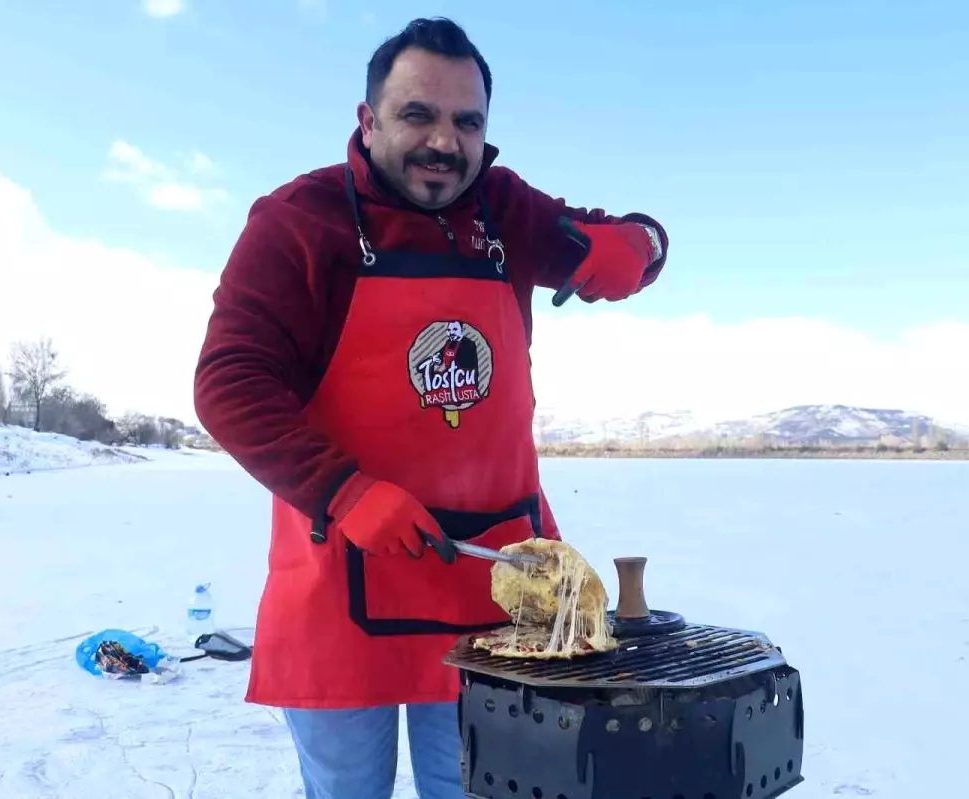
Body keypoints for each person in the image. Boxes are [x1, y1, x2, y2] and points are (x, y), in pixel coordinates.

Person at [192, 16, 670, 799]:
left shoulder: (503, 210)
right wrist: (345, 491)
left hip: (497, 583)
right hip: (342, 579)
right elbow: (230, 381)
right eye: (418, 115)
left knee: (480, 787)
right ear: (368, 118)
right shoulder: (299, 221)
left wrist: (638, 247)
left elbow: (622, 235)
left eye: (467, 122)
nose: (445, 142)